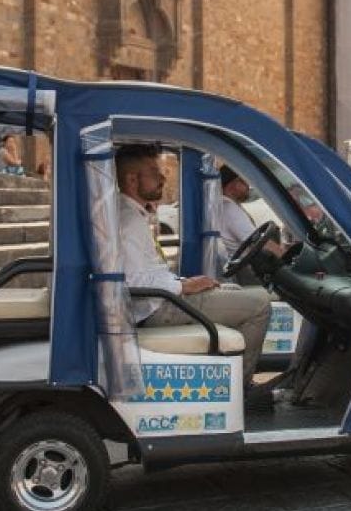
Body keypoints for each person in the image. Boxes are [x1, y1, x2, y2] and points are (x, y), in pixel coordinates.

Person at [115, 144, 270, 389]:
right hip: (154, 308)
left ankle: (222, 374)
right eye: (155, 173)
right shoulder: (128, 221)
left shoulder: (132, 214)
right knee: (260, 305)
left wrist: (182, 284)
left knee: (234, 292)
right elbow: (133, 281)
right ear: (132, 179)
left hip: (159, 300)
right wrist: (184, 286)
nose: (163, 178)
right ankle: (240, 390)